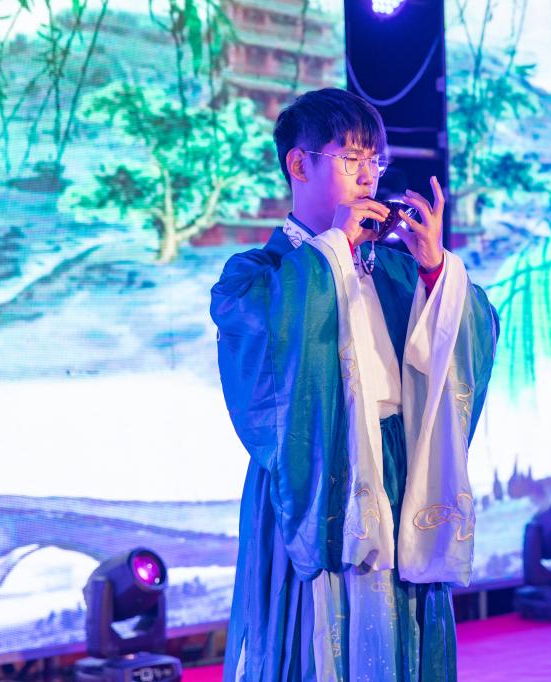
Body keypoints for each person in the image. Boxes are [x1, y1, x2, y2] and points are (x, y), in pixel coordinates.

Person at [210, 88, 498, 681]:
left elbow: (473, 337)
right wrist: (334, 251)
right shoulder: (259, 275)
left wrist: (435, 270)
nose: (369, 177)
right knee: (320, 641)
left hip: (397, 470)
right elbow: (264, 355)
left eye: (376, 161)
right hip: (316, 474)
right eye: (351, 159)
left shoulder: (395, 267)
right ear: (299, 164)